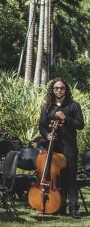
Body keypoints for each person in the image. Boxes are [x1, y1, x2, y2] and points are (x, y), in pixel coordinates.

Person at [38, 77, 85, 219]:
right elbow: (42, 125)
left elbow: (80, 125)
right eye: (56, 88)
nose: (58, 90)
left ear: (66, 89)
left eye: (61, 88)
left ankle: (73, 208)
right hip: (53, 146)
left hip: (69, 146)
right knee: (55, 177)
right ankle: (59, 206)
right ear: (52, 90)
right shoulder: (47, 107)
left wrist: (66, 118)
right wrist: (47, 135)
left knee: (70, 177)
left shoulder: (73, 105)